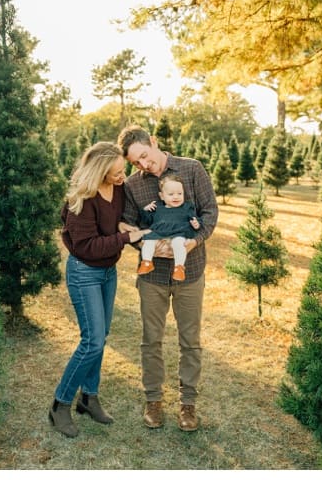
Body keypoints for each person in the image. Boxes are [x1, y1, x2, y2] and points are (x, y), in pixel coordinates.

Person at [118, 125, 218, 432]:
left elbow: (209, 212)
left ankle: (188, 404)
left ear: (153, 143)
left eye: (145, 156)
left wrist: (194, 241)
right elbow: (128, 226)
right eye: (136, 163)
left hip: (190, 272)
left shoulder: (192, 169)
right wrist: (147, 245)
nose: (144, 166)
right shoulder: (134, 186)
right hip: (153, 276)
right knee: (152, 340)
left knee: (190, 340)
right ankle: (154, 400)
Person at [48, 142, 150, 438]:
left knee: (101, 337)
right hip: (84, 272)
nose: (123, 176)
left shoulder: (118, 190)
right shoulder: (83, 198)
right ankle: (60, 404)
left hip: (108, 272)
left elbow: (120, 223)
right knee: (92, 341)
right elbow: (86, 246)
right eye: (117, 172)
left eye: (123, 170)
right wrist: (126, 238)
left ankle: (89, 398)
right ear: (100, 170)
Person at [136, 175, 201, 281]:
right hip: (158, 233)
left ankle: (179, 267)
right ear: (161, 196)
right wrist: (145, 210)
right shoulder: (157, 207)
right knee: (148, 241)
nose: (176, 197)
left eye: (180, 194)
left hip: (178, 233)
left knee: (178, 243)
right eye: (171, 194)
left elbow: (195, 219)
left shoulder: (186, 207)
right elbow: (146, 220)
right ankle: (147, 262)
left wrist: (196, 224)